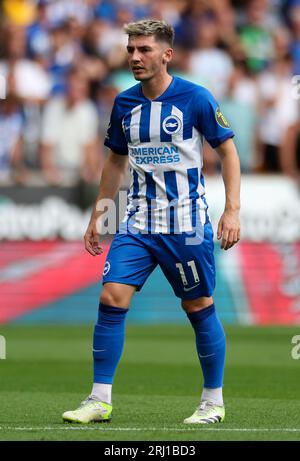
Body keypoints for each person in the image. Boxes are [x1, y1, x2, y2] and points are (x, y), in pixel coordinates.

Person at [62, 19, 241, 425]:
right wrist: (99, 213)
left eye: (144, 50)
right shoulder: (124, 103)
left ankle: (213, 401)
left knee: (197, 305)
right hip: (138, 224)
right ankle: (99, 399)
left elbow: (228, 152)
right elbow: (114, 159)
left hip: (187, 225)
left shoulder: (195, 98)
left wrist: (232, 210)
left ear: (166, 54)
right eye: (130, 50)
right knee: (111, 296)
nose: (135, 57)